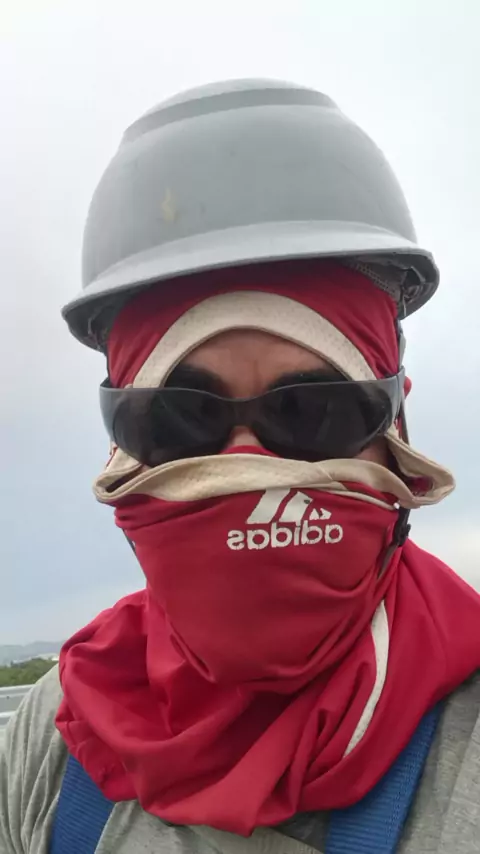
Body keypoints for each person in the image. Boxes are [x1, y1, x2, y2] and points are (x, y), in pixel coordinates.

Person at [1, 79, 479, 854]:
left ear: (394, 427)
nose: (245, 465)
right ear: (123, 446)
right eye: (178, 418)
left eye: (315, 410)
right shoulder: (52, 742)